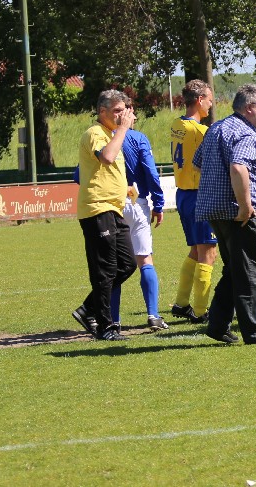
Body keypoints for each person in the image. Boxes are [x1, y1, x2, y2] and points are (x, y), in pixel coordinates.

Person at [193, 84, 256, 345]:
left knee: (235, 269)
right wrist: (245, 206)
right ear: (249, 108)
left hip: (215, 210)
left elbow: (198, 164)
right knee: (251, 270)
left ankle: (217, 325)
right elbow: (238, 167)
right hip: (239, 213)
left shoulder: (217, 128)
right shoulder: (245, 133)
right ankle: (255, 331)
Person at [72, 90, 138, 341]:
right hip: (97, 209)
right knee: (105, 269)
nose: (122, 115)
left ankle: (88, 309)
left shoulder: (111, 135)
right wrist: (123, 129)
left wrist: (125, 188)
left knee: (127, 264)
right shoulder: (95, 133)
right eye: (117, 111)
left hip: (114, 209)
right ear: (102, 111)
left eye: (124, 110)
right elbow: (107, 157)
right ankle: (105, 327)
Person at [117, 104, 168, 331]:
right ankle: (153, 315)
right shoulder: (138, 138)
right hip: (136, 204)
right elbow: (151, 172)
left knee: (113, 264)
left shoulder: (100, 137)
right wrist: (159, 203)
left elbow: (80, 174)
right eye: (132, 112)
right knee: (145, 259)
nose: (135, 117)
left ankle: (113, 320)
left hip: (111, 204)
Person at [169, 80, 216, 324]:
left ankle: (181, 303)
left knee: (196, 251)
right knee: (209, 253)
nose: (211, 104)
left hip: (183, 195)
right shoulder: (200, 132)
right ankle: (200, 311)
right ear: (199, 100)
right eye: (209, 99)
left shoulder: (177, 125)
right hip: (199, 196)